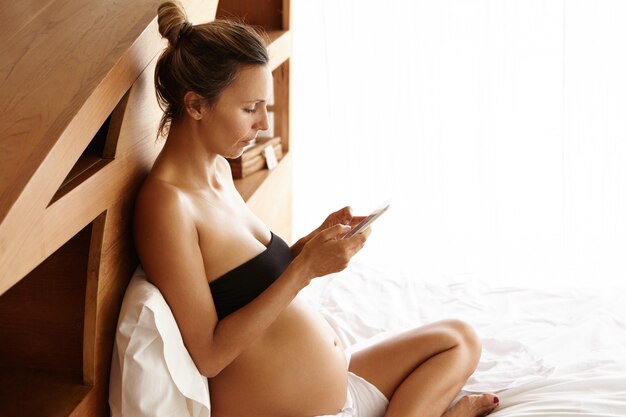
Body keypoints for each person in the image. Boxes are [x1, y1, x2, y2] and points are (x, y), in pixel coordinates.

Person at [133, 2, 501, 416]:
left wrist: (308, 247)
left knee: (461, 338)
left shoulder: (217, 169)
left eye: (264, 108)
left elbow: (246, 287)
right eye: (249, 109)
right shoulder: (166, 205)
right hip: (296, 408)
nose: (264, 126)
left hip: (337, 387)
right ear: (197, 105)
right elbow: (209, 355)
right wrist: (304, 268)